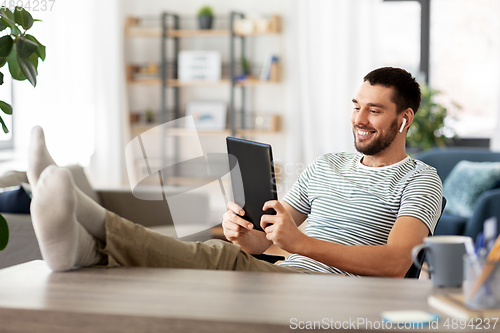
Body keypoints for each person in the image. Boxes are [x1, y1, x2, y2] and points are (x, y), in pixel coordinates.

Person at [28, 67, 442, 277]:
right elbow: (263, 243)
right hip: (282, 276)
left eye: (374, 109)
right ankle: (83, 252)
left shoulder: (420, 179)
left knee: (215, 259)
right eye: (356, 105)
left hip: (329, 291)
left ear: (404, 119)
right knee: (221, 253)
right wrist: (244, 233)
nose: (359, 118)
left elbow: (394, 263)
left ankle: (90, 219)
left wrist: (298, 244)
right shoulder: (327, 164)